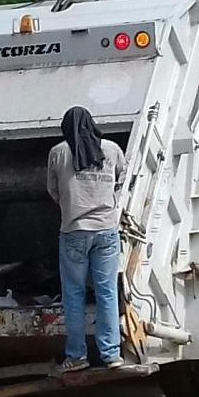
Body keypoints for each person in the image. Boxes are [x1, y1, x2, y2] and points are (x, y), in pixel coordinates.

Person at [46, 106, 127, 373]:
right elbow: (121, 181)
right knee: (106, 293)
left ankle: (77, 356)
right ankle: (111, 354)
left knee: (74, 295)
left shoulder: (58, 152)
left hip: (73, 232)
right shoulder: (112, 149)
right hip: (106, 231)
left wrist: (72, 205)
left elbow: (53, 191)